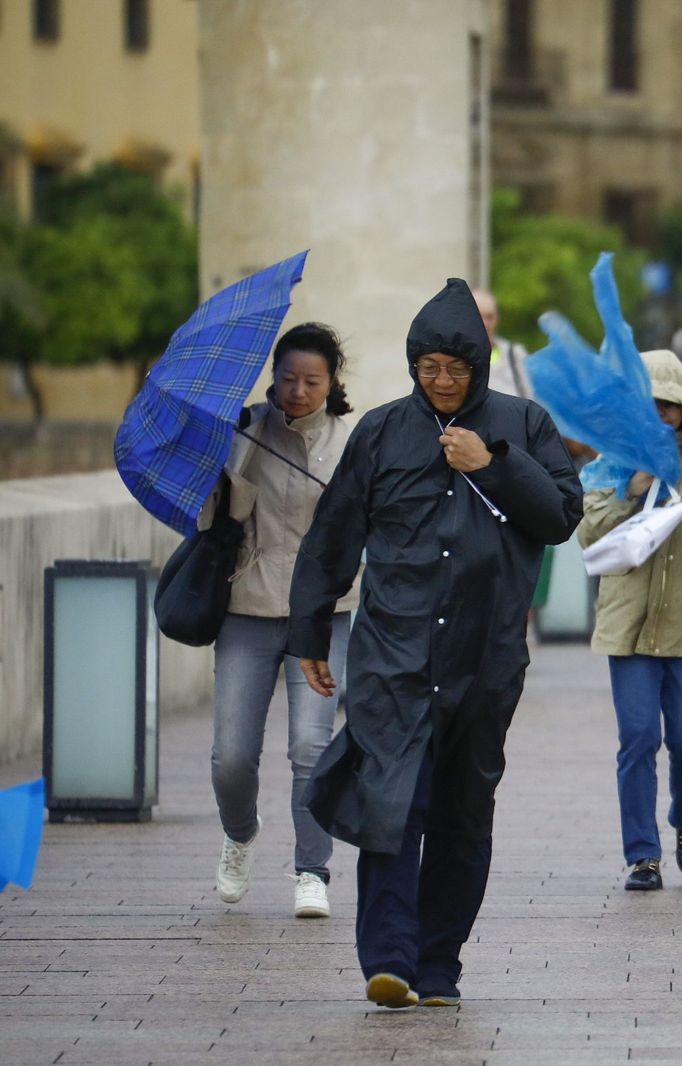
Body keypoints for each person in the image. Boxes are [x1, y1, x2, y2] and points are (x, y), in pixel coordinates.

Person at [289, 278, 582, 1009]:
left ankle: (438, 962)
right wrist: (309, 631)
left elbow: (560, 517)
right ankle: (388, 958)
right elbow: (332, 538)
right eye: (430, 368)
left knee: (461, 812)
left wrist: (495, 463)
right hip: (393, 654)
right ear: (414, 365)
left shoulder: (524, 422)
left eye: (457, 368)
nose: (443, 381)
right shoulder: (383, 432)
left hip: (485, 659)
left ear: (479, 365)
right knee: (393, 803)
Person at [576, 351, 682, 891]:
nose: (659, 415)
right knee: (637, 738)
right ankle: (642, 855)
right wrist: (632, 487)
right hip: (630, 619)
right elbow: (589, 533)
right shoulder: (612, 458)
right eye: (646, 406)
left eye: (668, 406)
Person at [205, 323, 357, 920]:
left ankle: (311, 870)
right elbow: (211, 523)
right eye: (288, 378)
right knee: (232, 755)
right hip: (248, 603)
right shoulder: (242, 430)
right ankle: (240, 833)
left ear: (331, 383)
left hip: (324, 613)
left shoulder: (352, 441)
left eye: (311, 381)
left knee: (310, 747)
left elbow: (373, 522)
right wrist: (228, 472)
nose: (297, 391)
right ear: (273, 376)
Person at [473, 287, 533, 400]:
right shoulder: (455, 358)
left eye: (489, 317)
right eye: (479, 316)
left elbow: (531, 399)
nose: (485, 323)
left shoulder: (515, 355)